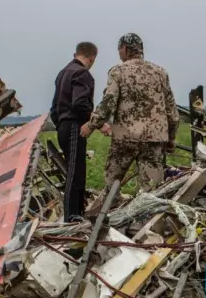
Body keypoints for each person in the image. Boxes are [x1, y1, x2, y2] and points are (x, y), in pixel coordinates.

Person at [82, 33, 179, 211]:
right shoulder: (160, 72)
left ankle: (108, 222)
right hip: (154, 139)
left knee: (112, 186)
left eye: (119, 49)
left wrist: (92, 124)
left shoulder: (117, 72)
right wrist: (171, 138)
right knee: (152, 192)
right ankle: (148, 228)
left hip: (124, 138)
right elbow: (171, 110)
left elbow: (108, 103)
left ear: (125, 49)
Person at [50, 42, 98, 221]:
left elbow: (54, 107)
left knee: (74, 169)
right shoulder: (82, 73)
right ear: (92, 57)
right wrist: (96, 123)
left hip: (62, 124)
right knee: (75, 173)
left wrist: (60, 123)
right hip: (74, 125)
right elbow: (80, 103)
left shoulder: (63, 73)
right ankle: (72, 215)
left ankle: (77, 213)